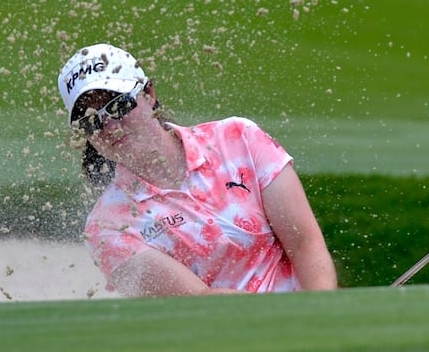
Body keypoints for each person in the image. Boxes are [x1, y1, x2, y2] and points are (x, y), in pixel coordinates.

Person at [57, 43, 338, 296]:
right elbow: (203, 304)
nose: (111, 126)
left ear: (149, 94)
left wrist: (320, 319)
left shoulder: (239, 138)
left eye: (118, 105)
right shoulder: (108, 227)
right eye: (91, 122)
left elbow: (305, 244)